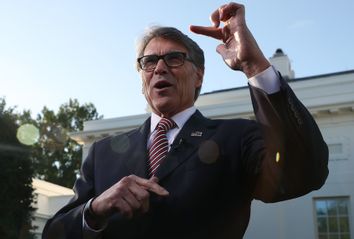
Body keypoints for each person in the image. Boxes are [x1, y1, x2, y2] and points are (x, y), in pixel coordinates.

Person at [42, 2, 328, 239]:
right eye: (149, 61)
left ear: (199, 75)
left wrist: (254, 64)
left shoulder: (237, 138)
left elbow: (304, 174)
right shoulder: (102, 153)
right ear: (141, 77)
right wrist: (94, 210)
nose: (160, 68)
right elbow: (53, 233)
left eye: (175, 58)